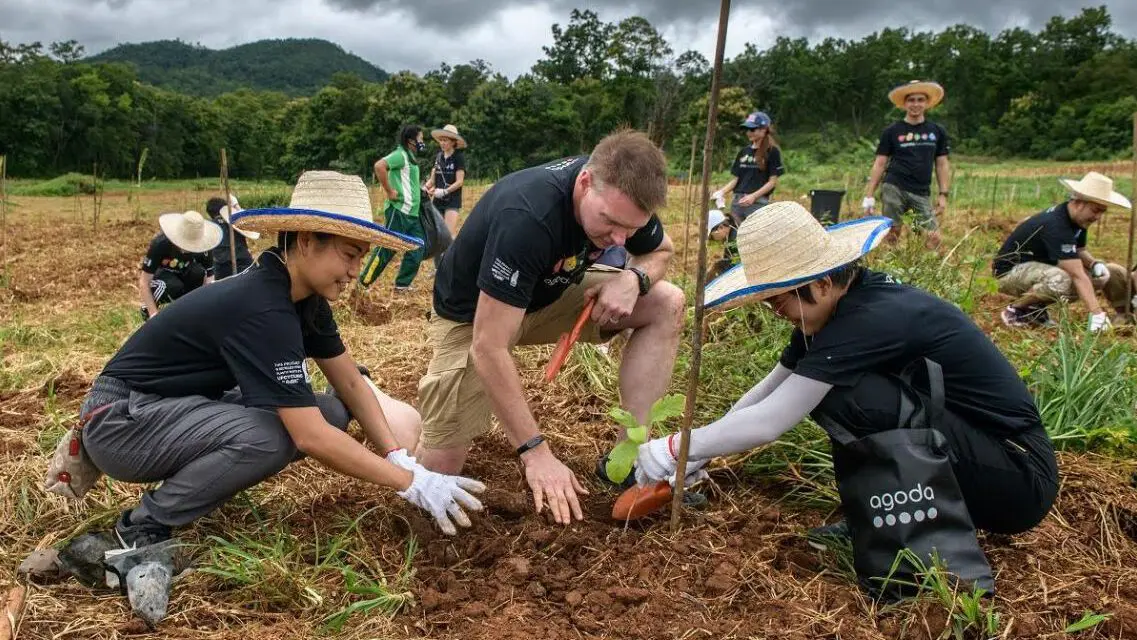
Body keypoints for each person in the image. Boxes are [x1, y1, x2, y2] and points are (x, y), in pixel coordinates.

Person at [71, 171, 484, 568]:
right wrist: (408, 483)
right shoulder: (263, 306)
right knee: (275, 435)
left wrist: (398, 455)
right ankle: (144, 526)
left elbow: (351, 383)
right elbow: (308, 437)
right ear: (306, 241)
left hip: (174, 406)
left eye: (362, 257)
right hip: (121, 421)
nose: (356, 272)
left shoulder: (302, 300)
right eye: (349, 255)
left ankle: (186, 488)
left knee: (331, 411)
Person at [635, 201, 1058, 546]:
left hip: (1017, 476)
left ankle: (908, 532)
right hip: (981, 454)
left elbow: (773, 420)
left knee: (841, 395)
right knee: (828, 388)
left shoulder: (869, 318)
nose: (777, 313)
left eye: (778, 301)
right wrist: (698, 451)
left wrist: (672, 448)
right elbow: (768, 392)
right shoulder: (831, 313)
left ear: (819, 284)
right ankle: (883, 521)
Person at [418, 130, 686, 524]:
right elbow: (489, 345)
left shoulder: (623, 197)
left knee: (667, 302)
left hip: (548, 296)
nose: (618, 238)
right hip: (473, 317)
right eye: (610, 223)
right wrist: (535, 452)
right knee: (439, 474)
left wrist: (634, 280)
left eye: (629, 230)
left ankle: (630, 454)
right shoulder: (528, 216)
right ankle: (407, 434)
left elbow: (661, 252)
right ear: (584, 183)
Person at [993, 171, 1133, 330]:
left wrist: (1094, 264)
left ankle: (1123, 317)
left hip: (1038, 270)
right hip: (1010, 273)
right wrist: (1096, 313)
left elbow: (1079, 250)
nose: (1098, 217)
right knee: (1061, 280)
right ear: (1080, 202)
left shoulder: (1077, 220)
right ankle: (1017, 310)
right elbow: (1076, 274)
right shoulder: (1057, 225)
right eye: (1095, 210)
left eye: (1102, 211)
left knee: (1108, 272)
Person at [863, 80, 951, 249]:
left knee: (932, 238)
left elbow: (941, 164)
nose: (916, 104)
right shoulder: (892, 131)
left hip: (921, 191)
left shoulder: (936, 131)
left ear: (926, 103)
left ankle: (925, 269)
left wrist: (943, 194)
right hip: (894, 185)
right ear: (904, 103)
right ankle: (891, 266)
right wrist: (869, 195)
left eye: (920, 100)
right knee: (892, 232)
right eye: (911, 100)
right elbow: (880, 163)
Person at [360, 125, 428, 292]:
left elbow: (408, 182)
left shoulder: (411, 158)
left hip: (412, 214)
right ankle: (364, 283)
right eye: (421, 139)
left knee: (417, 247)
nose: (422, 142)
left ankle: (402, 285)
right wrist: (389, 191)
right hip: (398, 212)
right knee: (386, 248)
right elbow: (379, 166)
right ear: (411, 140)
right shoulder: (400, 155)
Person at [711, 111, 785, 262]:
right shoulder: (743, 152)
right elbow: (737, 179)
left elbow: (772, 181)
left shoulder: (772, 152)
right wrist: (722, 192)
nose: (749, 132)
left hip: (757, 204)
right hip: (738, 203)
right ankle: (729, 271)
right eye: (747, 129)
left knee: (756, 241)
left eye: (753, 129)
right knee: (733, 242)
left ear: (764, 130)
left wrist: (753, 196)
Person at [138, 210, 221, 321]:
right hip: (163, 275)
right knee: (172, 285)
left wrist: (208, 306)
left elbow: (210, 280)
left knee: (199, 273)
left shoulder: (205, 249)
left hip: (186, 272)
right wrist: (153, 314)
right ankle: (148, 307)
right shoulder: (161, 244)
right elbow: (144, 281)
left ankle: (185, 308)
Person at [426, 124, 467, 237]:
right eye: (441, 140)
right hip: (438, 201)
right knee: (436, 235)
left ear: (453, 142)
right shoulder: (438, 157)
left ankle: (451, 254)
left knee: (448, 235)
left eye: (445, 140)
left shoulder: (459, 157)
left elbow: (460, 181)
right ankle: (439, 255)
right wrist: (425, 188)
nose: (442, 143)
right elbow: (432, 180)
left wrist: (445, 191)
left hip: (452, 200)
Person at [206, 194, 258, 279]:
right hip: (244, 262)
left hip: (221, 267)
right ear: (226, 209)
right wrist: (237, 206)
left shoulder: (210, 225)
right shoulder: (237, 221)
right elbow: (251, 224)